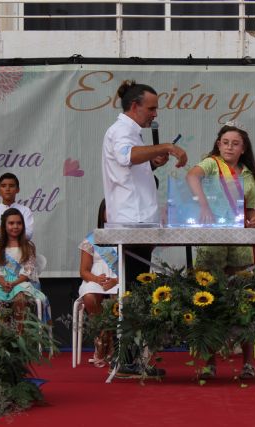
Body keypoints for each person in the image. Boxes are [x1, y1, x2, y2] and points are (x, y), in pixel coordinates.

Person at [101, 80, 187, 378]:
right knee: (133, 292)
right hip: (130, 222)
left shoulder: (130, 132)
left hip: (139, 221)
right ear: (134, 106)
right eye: (151, 108)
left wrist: (154, 160)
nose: (154, 113)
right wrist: (164, 146)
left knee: (137, 290)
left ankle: (132, 357)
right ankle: (126, 358)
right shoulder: (121, 131)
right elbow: (126, 157)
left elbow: (131, 168)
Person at [186, 122, 255, 380]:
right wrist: (203, 204)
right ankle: (208, 361)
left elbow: (250, 209)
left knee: (244, 299)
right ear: (219, 144)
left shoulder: (248, 174)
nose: (229, 146)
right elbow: (191, 176)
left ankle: (248, 363)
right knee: (208, 298)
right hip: (212, 239)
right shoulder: (211, 164)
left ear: (243, 148)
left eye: (235, 143)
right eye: (225, 142)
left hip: (239, 242)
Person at [0, 208, 47, 331]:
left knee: (20, 297)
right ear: (4, 226)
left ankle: (19, 334)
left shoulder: (28, 247)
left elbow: (28, 271)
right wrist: (4, 283)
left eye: (19, 223)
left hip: (21, 282)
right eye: (11, 223)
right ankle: (1, 333)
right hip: (2, 282)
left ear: (23, 226)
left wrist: (14, 283)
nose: (15, 226)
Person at [78, 199, 118, 368]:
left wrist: (116, 280)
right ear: (102, 213)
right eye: (109, 210)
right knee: (89, 298)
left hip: (118, 278)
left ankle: (110, 343)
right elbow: (83, 271)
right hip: (95, 278)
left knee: (121, 300)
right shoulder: (91, 238)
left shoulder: (129, 237)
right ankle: (105, 335)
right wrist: (97, 279)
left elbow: (133, 266)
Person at [0, 173, 34, 245]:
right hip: (0, 253)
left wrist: (1, 230)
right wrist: (17, 231)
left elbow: (28, 235)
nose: (7, 189)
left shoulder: (25, 211)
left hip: (21, 253)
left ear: (17, 189)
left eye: (11, 186)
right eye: (3, 186)